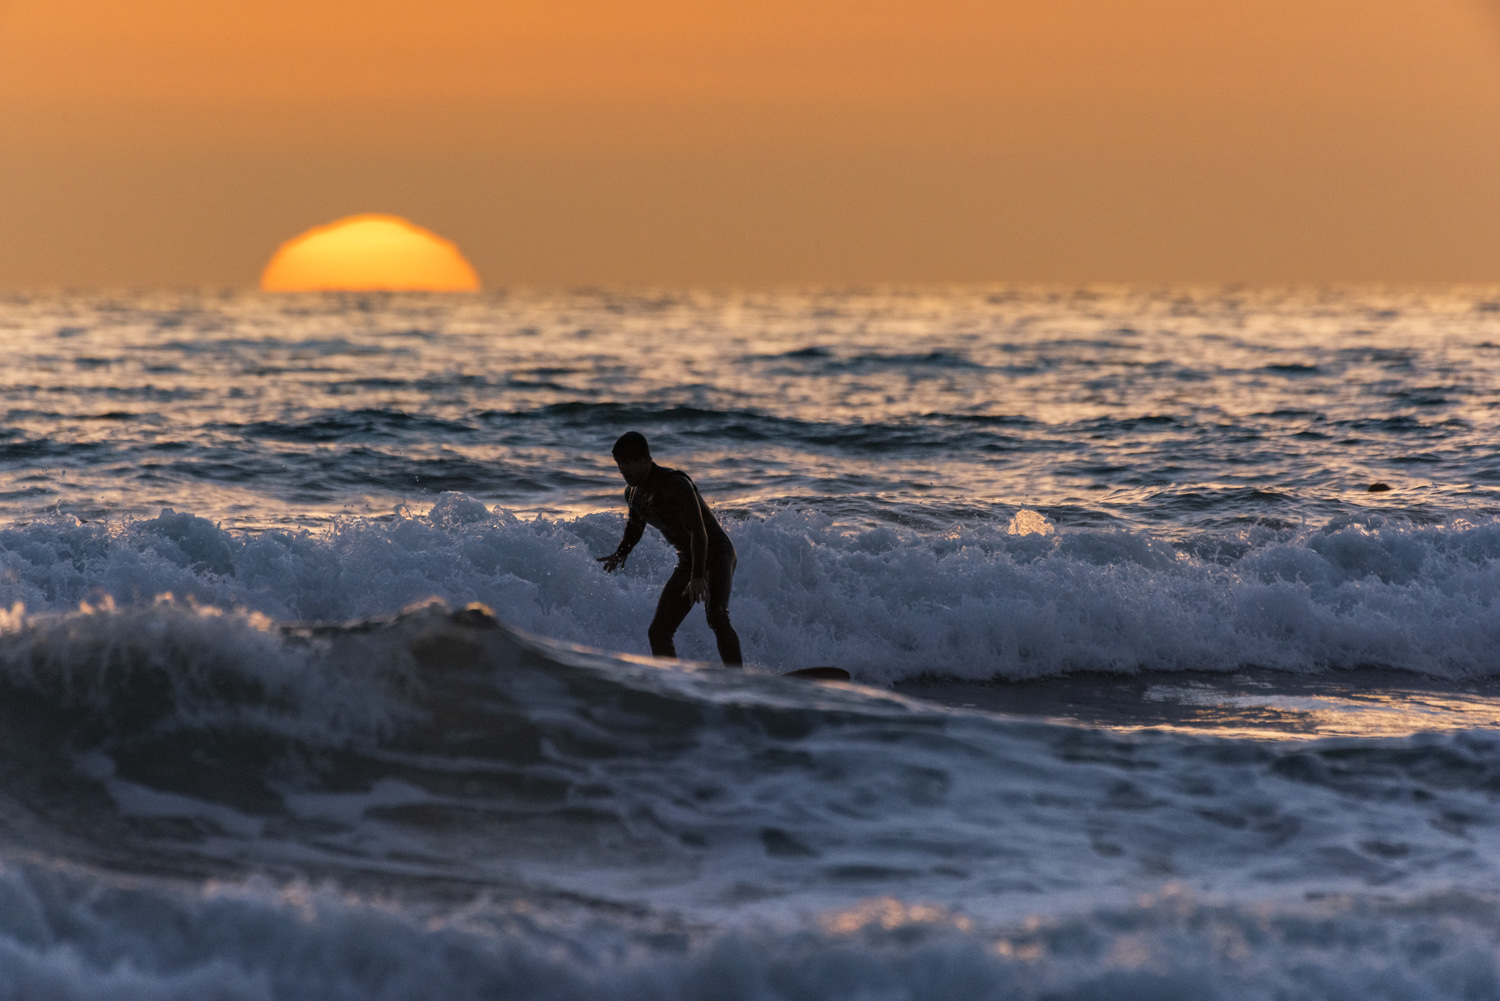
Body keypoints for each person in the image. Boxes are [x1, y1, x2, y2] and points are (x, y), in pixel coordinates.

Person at [597, 431, 744, 666]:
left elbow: (699, 531)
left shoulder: (675, 484)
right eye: (619, 464)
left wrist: (697, 577)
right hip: (688, 559)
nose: (623, 471)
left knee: (716, 615)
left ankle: (739, 680)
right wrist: (621, 553)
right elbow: (635, 526)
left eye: (628, 463)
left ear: (645, 459)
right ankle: (672, 685)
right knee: (658, 631)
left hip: (715, 552)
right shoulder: (633, 493)